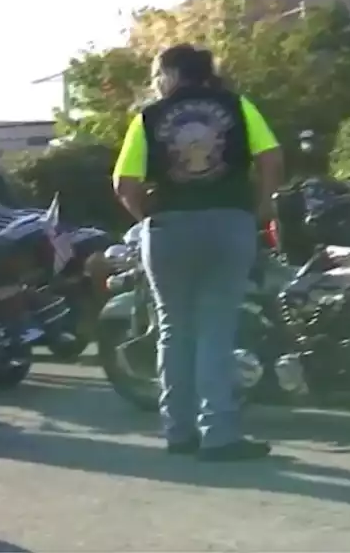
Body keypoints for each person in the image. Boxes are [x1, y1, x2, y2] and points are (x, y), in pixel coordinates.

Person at [111, 43, 283, 462]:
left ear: (170, 74)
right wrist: (261, 203)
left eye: (157, 73)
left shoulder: (149, 116)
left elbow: (124, 181)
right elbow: (271, 157)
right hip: (228, 222)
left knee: (173, 329)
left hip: (169, 228)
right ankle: (218, 433)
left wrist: (146, 216)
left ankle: (178, 430)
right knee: (216, 330)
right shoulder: (238, 107)